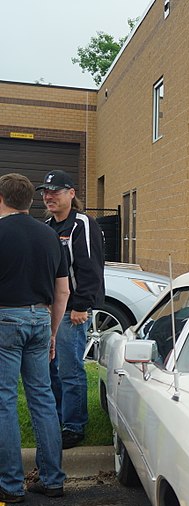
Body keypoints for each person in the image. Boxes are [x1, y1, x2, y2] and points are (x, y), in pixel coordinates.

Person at [0, 173, 70, 501]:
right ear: (29, 200)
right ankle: (53, 479)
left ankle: (11, 485)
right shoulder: (50, 236)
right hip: (41, 320)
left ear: (2, 199)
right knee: (42, 398)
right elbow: (63, 290)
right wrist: (53, 332)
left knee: (5, 401)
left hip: (6, 320)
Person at [37, 169, 104, 449]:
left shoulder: (82, 224)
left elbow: (90, 266)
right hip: (51, 309)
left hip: (72, 311)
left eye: (56, 191)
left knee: (69, 369)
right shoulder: (48, 225)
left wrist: (81, 305)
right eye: (45, 192)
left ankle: (74, 427)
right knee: (50, 368)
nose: (49, 196)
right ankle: (57, 419)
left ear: (71, 194)